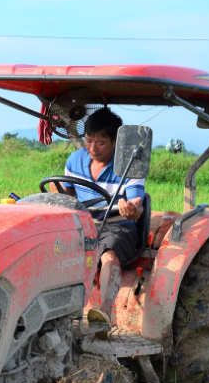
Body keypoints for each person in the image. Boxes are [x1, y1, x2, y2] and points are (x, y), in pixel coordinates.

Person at [53, 108, 145, 330]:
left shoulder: (129, 166)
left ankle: (103, 313)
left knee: (108, 253)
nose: (93, 148)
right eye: (88, 140)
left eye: (101, 142)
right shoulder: (75, 159)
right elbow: (66, 194)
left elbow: (136, 206)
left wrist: (130, 209)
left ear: (115, 143)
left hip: (116, 226)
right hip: (83, 225)